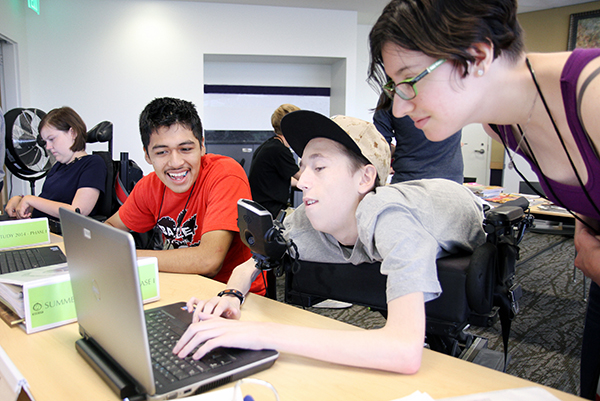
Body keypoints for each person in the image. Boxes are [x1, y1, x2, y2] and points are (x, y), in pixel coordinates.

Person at [367, 0, 600, 397]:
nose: (401, 108)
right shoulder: (499, 124)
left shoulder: (592, 96)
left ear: (477, 56)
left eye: (410, 80)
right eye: (394, 87)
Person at [172, 110, 485, 373]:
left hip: (456, 201)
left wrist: (262, 334)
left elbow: (404, 350)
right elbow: (253, 261)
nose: (304, 180)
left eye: (319, 167)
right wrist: (231, 295)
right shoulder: (305, 220)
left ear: (364, 178)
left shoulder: (393, 219)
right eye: (304, 166)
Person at [105, 97, 266, 295]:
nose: (175, 162)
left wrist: (127, 257)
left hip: (234, 292)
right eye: (162, 152)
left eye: (186, 149)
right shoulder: (148, 186)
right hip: (182, 286)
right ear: (147, 155)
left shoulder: (225, 174)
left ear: (202, 146)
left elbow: (208, 261)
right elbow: (110, 227)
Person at [4, 106, 106, 220]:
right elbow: (45, 206)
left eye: (52, 139)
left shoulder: (93, 164)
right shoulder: (57, 167)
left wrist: (31, 199)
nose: (47, 147)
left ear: (73, 133)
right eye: (45, 141)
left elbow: (78, 211)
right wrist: (20, 200)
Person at [373, 96, 463, 184]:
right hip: (451, 181)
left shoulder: (392, 94)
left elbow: (379, 147)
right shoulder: (456, 90)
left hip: (409, 180)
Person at [248, 104, 301, 218]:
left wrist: (300, 183)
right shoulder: (279, 150)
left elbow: (282, 178)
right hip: (272, 212)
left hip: (262, 209)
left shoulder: (270, 145)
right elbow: (303, 177)